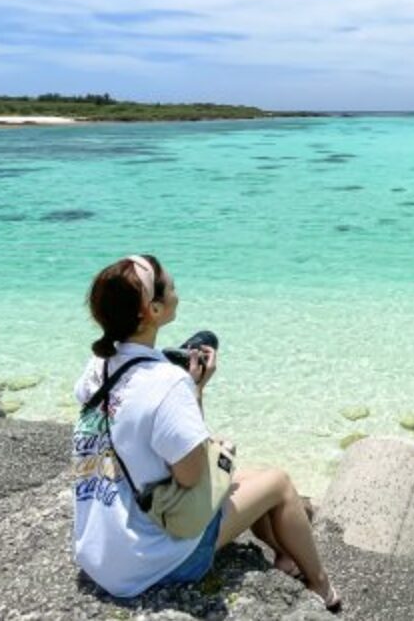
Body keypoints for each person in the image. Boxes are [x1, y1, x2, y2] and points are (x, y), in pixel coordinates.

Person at [72, 254, 340, 610]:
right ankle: (322, 587)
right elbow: (191, 476)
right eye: (172, 287)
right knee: (278, 483)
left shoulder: (98, 368)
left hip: (101, 552)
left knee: (250, 477)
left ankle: (285, 556)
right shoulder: (167, 383)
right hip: (153, 562)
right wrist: (195, 391)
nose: (177, 292)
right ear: (152, 310)